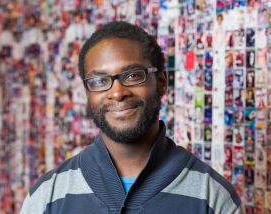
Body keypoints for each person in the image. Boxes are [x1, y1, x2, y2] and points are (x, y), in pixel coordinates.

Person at [20, 21, 242, 213]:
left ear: (162, 82)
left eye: (133, 75)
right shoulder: (47, 196)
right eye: (99, 81)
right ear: (87, 93)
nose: (117, 92)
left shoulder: (213, 197)